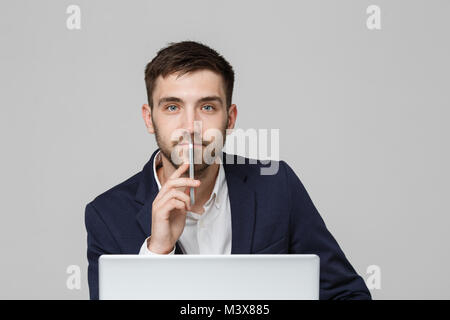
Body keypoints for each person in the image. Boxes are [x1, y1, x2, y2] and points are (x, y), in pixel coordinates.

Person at [85, 40, 371, 300]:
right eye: (172, 107)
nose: (191, 126)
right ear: (150, 119)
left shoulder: (277, 185)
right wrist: (157, 252)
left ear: (230, 118)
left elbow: (347, 294)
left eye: (207, 107)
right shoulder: (107, 215)